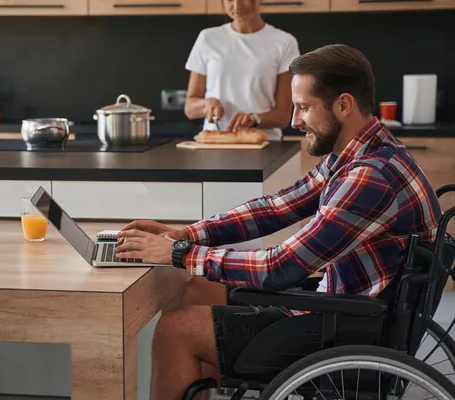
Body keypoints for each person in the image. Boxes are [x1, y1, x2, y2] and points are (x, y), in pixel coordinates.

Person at [115, 44, 443, 400]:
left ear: (344, 105)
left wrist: (181, 253)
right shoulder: (361, 153)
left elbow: (281, 267)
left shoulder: (369, 177)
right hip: (349, 307)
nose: (294, 121)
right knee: (195, 289)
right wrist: (186, 234)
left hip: (346, 327)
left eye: (303, 107)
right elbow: (275, 208)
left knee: (174, 330)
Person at [183, 0, 300, 140]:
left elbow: (282, 116)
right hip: (215, 142)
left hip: (263, 143)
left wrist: (254, 119)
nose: (237, 6)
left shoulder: (284, 42)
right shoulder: (208, 38)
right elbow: (190, 108)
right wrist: (206, 104)